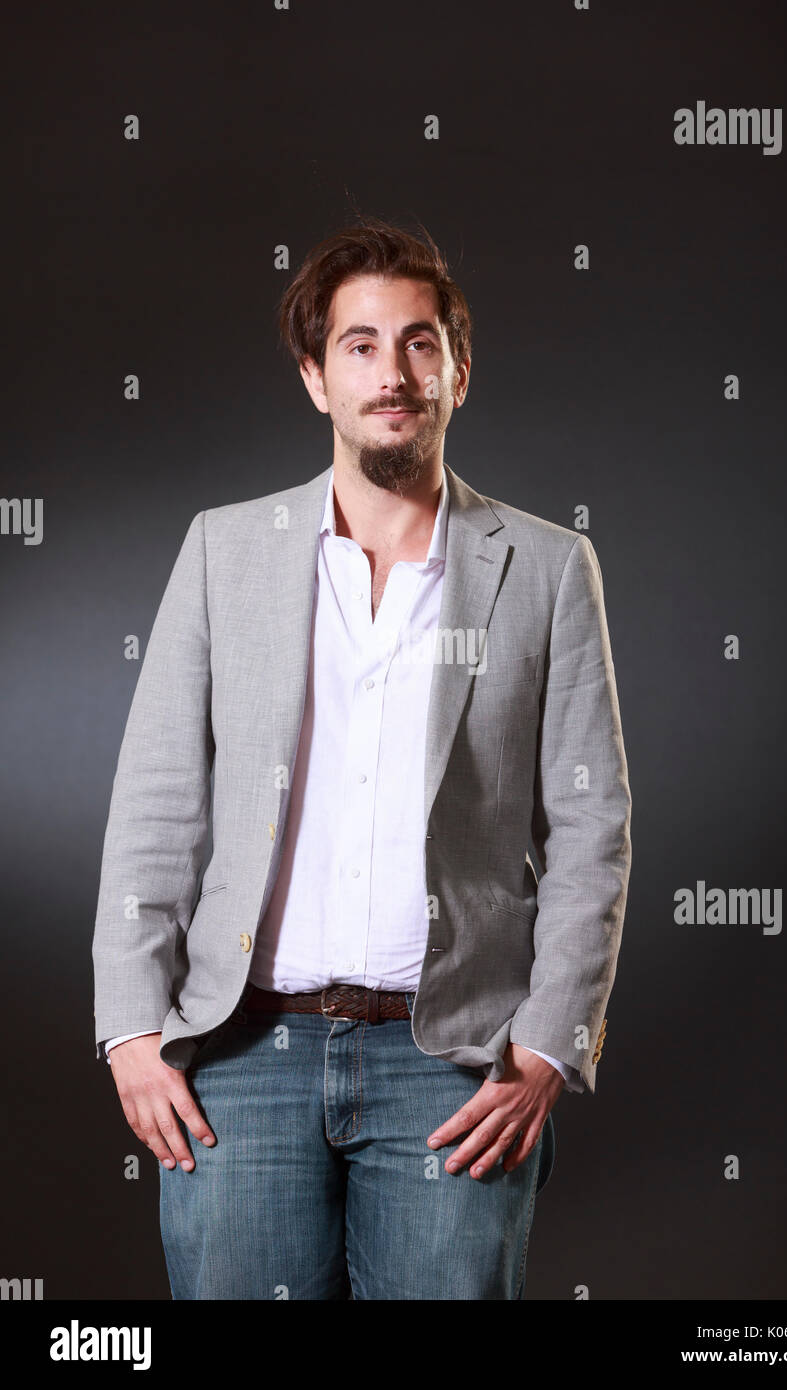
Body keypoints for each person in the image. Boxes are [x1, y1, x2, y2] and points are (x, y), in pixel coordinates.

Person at [92, 215, 632, 1300]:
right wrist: (129, 1033)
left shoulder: (546, 568)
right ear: (314, 376)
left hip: (454, 1067)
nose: (392, 372)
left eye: (419, 342)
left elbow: (590, 827)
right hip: (241, 1057)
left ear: (457, 372)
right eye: (359, 344)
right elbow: (156, 803)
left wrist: (543, 1047)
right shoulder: (221, 552)